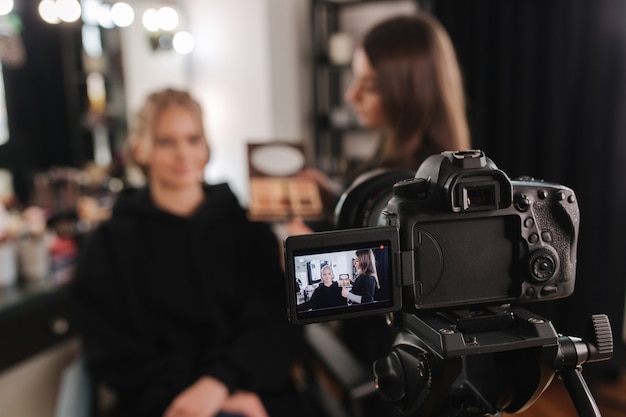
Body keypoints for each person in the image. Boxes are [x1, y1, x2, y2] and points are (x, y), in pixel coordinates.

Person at [71, 88, 304, 417]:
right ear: (140, 148)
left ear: (206, 146)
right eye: (166, 141)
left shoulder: (246, 228)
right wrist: (202, 397)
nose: (183, 153)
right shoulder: (111, 243)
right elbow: (112, 348)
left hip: (253, 392)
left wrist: (221, 383)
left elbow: (274, 319)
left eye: (193, 139)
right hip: (160, 403)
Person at [289, 12, 471, 234]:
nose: (351, 95)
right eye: (355, 79)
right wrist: (334, 195)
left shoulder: (420, 185)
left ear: (408, 93)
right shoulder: (391, 149)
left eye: (369, 86)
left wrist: (305, 250)